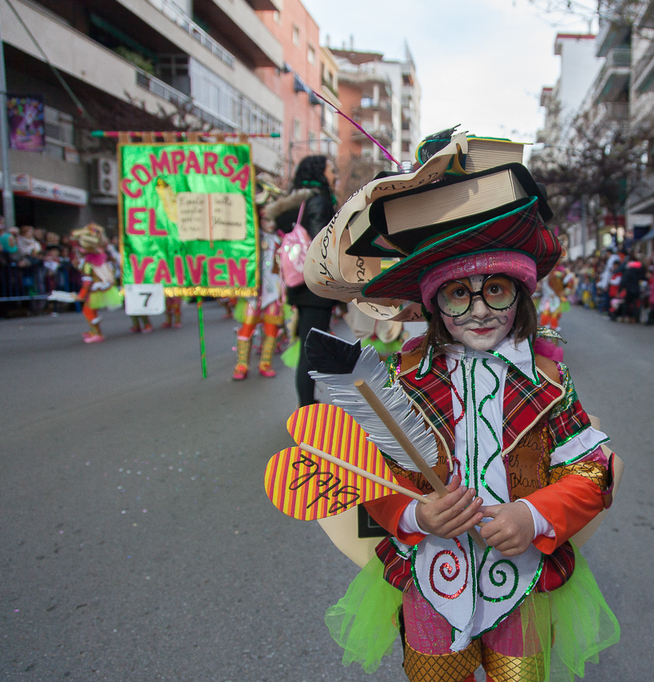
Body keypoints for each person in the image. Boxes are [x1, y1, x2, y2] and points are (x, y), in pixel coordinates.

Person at [308, 133, 619, 680]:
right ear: (434, 305)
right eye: (458, 294)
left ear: (519, 296)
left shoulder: (548, 383)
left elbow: (592, 468)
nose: (478, 311)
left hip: (520, 580)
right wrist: (413, 513)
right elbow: (369, 470)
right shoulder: (401, 381)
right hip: (432, 577)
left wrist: (533, 514)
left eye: (495, 289)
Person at [265, 154, 338, 404]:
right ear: (319, 172)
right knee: (311, 350)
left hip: (297, 282)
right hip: (316, 287)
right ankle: (306, 407)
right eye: (331, 170)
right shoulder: (319, 201)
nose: (334, 174)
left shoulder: (291, 205)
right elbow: (322, 244)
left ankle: (307, 403)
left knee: (308, 345)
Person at [232, 212, 284, 380]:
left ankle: (265, 363)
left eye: (272, 219)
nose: (270, 223)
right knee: (247, 327)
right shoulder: (249, 238)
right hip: (252, 293)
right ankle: (241, 364)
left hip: (273, 292)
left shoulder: (281, 239)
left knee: (271, 328)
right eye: (266, 219)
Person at [70, 223, 122, 343]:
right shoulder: (96, 259)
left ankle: (97, 333)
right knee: (90, 310)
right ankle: (94, 331)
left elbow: (88, 280)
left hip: (95, 289)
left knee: (88, 310)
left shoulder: (90, 262)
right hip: (98, 287)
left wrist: (81, 295)